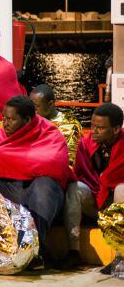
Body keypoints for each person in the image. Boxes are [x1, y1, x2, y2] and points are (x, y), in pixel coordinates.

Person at [0, 96, 73, 268]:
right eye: (4, 118)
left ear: (28, 120)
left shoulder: (50, 133)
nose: (5, 123)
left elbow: (53, 164)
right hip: (11, 189)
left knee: (45, 183)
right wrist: (7, 163)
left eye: (12, 119)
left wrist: (1, 161)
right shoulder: (2, 132)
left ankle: (34, 248)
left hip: (36, 193)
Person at [61, 103, 124, 268]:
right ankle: (73, 251)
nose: (94, 131)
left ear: (116, 129)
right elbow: (78, 173)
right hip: (95, 199)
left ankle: (120, 256)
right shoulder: (85, 143)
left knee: (121, 190)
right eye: (93, 125)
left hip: (116, 202)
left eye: (100, 128)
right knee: (75, 187)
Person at [29, 84, 83, 166]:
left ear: (50, 104)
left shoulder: (69, 125)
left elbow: (70, 161)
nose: (33, 111)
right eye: (31, 107)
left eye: (37, 107)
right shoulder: (31, 120)